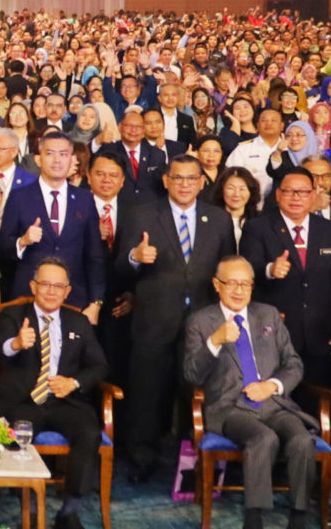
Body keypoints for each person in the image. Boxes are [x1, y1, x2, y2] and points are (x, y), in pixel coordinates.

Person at [112, 155, 236, 480]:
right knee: (147, 393)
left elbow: (229, 270)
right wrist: (134, 256)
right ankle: (142, 460)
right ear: (166, 181)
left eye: (191, 178)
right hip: (154, 321)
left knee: (196, 393)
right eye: (177, 178)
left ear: (201, 182)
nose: (184, 184)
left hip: (203, 324)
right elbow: (119, 269)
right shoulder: (141, 214)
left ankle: (191, 464)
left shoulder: (219, 219)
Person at [183, 256, 322, 529]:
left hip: (273, 403)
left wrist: (271, 386)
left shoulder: (268, 315)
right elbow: (192, 375)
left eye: (245, 284)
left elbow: (294, 364)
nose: (239, 291)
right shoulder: (200, 321)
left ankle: (298, 517)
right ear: (216, 285)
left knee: (302, 440)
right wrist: (215, 341)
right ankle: (254, 517)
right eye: (232, 283)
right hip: (230, 408)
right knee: (263, 438)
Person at [0, 260, 110, 529]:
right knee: (18, 433)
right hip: (23, 401)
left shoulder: (78, 321)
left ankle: (69, 511)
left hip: (65, 401)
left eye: (58, 286)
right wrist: (16, 343)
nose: (51, 291)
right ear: (33, 286)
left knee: (89, 433)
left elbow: (99, 366)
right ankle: (30, 510)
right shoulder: (12, 315)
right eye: (45, 284)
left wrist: (73, 383)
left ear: (68, 291)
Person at [238, 168, 331, 397]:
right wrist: (270, 270)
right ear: (278, 195)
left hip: (321, 334)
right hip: (274, 333)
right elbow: (246, 272)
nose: (296, 197)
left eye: (302, 192)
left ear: (313, 195)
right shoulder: (257, 228)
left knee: (318, 398)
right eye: (289, 191)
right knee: (276, 398)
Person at [0, 133, 107, 320]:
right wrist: (22, 241)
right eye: (50, 153)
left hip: (74, 300)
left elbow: (95, 256)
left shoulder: (85, 199)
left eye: (63, 154)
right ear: (38, 159)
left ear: (72, 159)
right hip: (28, 299)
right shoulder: (19, 197)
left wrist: (96, 303)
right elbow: (1, 248)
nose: (57, 160)